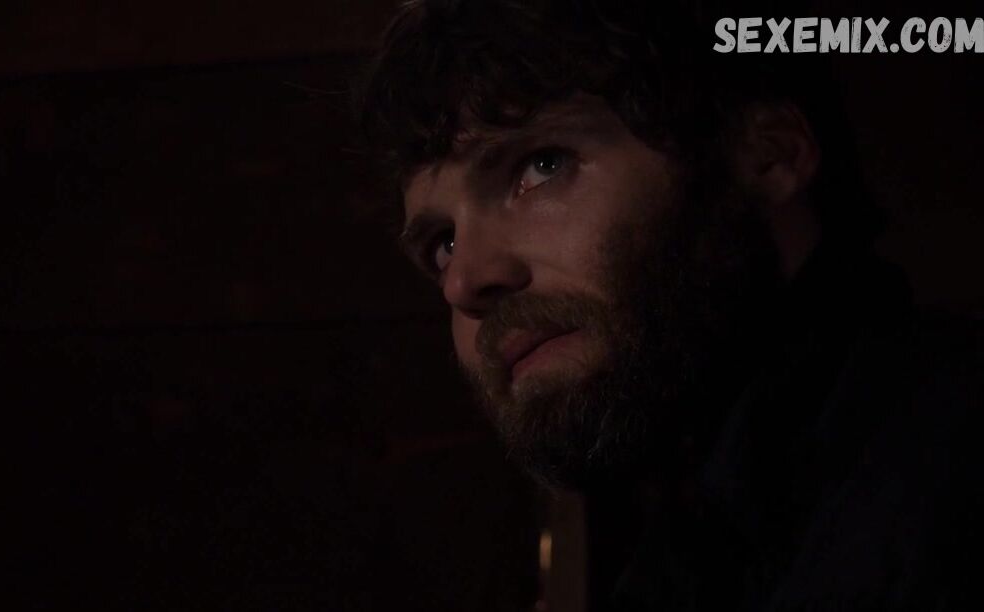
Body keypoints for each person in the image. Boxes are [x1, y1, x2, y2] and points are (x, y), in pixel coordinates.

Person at [354, 1, 984, 610]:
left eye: (542, 166)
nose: (464, 281)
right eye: (443, 245)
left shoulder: (945, 474)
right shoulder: (698, 544)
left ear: (770, 155)